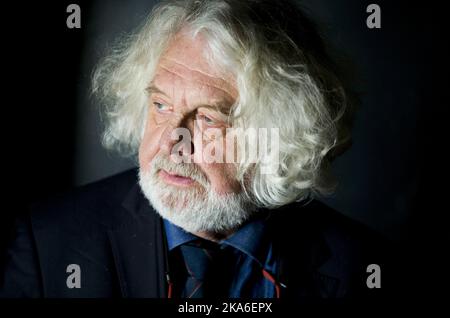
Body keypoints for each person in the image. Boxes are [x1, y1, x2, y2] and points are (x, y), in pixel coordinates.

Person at [0, 0, 389, 298]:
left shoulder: (363, 267)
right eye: (161, 106)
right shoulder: (47, 243)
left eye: (208, 118)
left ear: (277, 137)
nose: (171, 140)